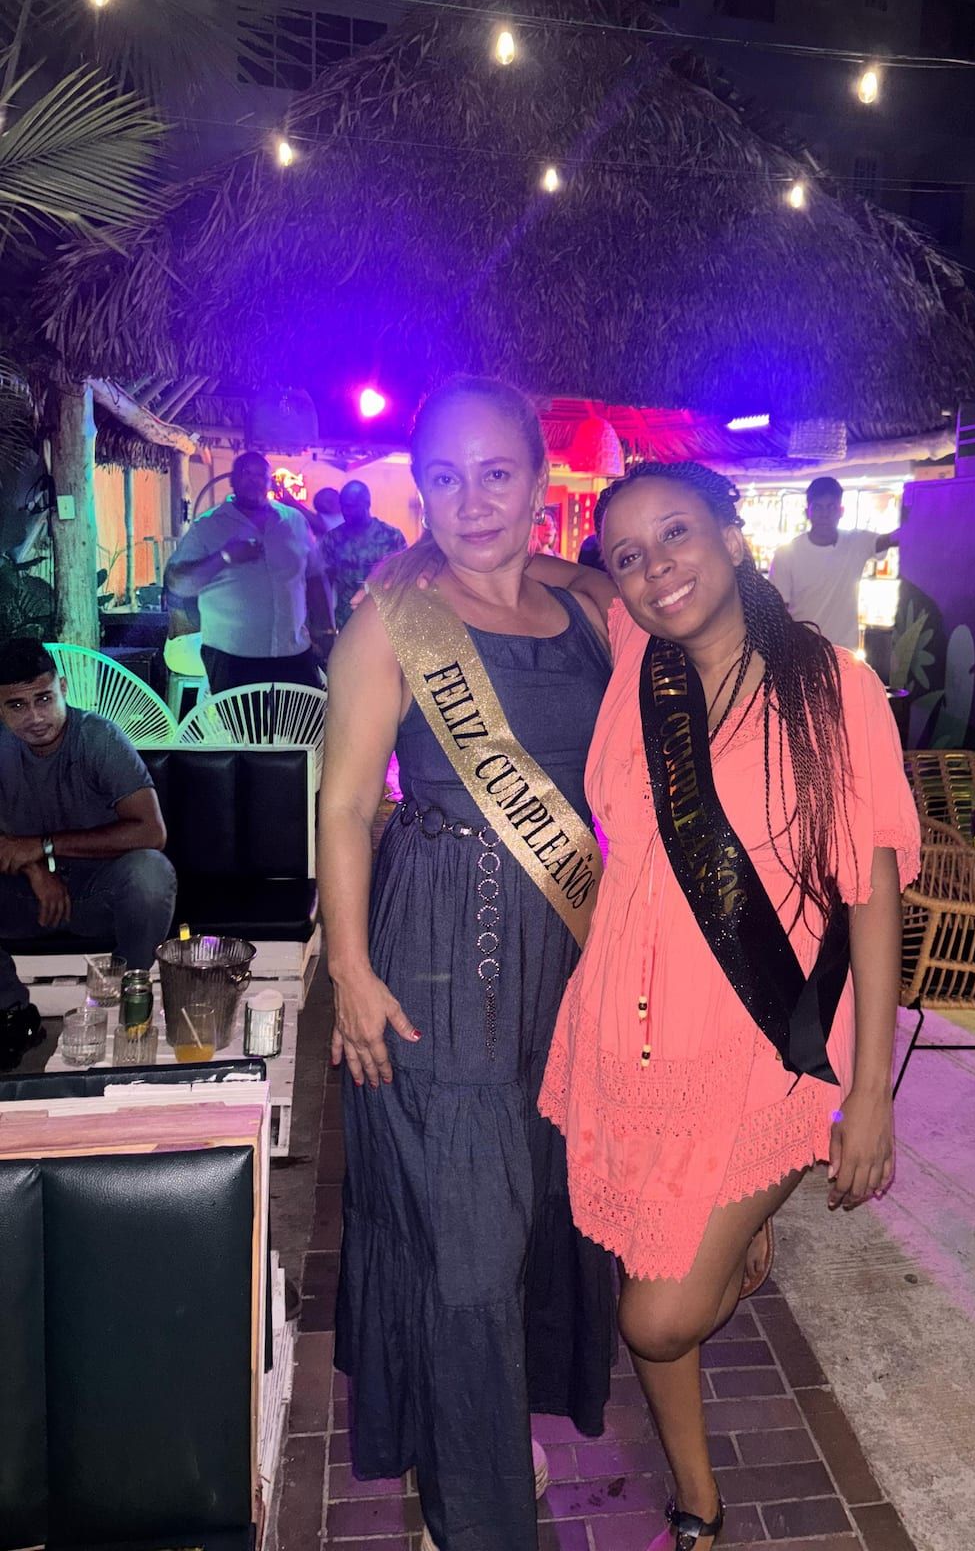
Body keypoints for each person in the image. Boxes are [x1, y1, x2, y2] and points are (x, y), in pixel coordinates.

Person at [537, 461, 920, 1551]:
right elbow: (540, 562)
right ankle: (700, 1501)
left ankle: (739, 1233)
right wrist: (432, 555)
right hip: (627, 1033)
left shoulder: (830, 689)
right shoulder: (631, 665)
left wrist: (872, 1093)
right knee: (651, 1269)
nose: (657, 567)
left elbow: (873, 895)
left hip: (762, 1038)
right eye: (629, 553)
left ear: (734, 534)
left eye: (678, 534)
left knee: (655, 1314)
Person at [318, 375, 615, 1551]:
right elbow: (344, 803)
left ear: (543, 485)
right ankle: (473, 1508)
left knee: (537, 1203)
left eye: (497, 473)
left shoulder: (589, 609)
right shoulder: (394, 617)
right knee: (466, 1229)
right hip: (442, 940)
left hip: (566, 956)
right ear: (418, 486)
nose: (472, 498)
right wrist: (350, 965)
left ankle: (482, 1423)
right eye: (444, 475)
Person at [0, 639, 176, 1070]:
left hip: (100, 896)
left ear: (63, 688)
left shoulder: (96, 737)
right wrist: (38, 870)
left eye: (44, 698)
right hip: (26, 898)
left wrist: (43, 845)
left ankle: (129, 1006)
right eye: (17, 706)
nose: (36, 717)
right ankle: (11, 1014)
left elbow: (152, 832)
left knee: (150, 874)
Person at [165, 451, 335, 693]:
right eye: (247, 473)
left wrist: (327, 632)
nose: (254, 480)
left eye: (261, 475)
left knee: (302, 727)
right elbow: (178, 583)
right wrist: (224, 557)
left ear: (269, 482)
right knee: (245, 730)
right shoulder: (208, 526)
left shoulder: (294, 522)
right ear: (233, 480)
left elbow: (315, 577)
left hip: (293, 651)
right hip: (233, 657)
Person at [768, 475, 898, 650]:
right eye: (818, 508)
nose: (825, 515)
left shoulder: (856, 542)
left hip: (844, 654)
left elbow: (891, 539)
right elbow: (777, 612)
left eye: (831, 507)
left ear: (841, 511)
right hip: (803, 653)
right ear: (808, 512)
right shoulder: (786, 554)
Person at [321, 480, 408, 629]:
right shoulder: (333, 538)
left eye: (351, 506)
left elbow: (404, 577)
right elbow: (325, 581)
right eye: (343, 506)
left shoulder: (391, 536)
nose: (346, 511)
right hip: (346, 617)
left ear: (367, 504)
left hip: (382, 616)